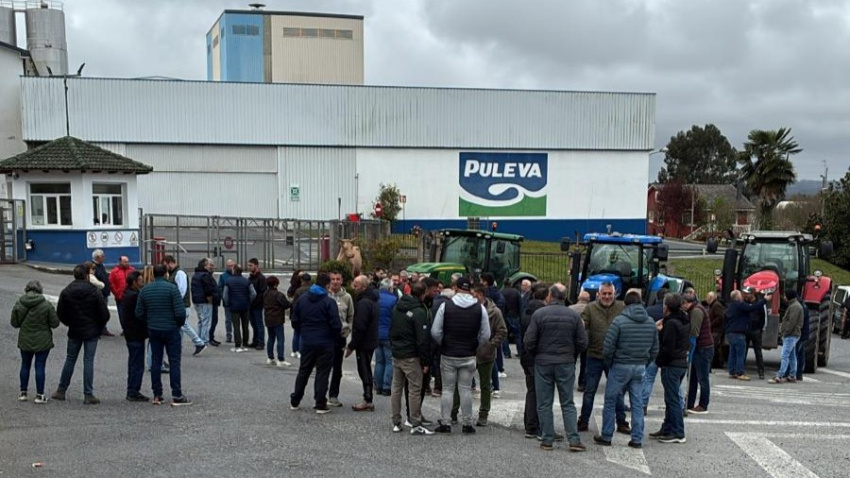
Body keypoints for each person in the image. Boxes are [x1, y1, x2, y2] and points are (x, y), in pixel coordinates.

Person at [524, 283, 588, 452]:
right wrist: (572, 354)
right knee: (567, 402)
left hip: (543, 362)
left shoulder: (539, 314)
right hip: (565, 362)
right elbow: (583, 342)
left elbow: (529, 341)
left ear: (549, 296)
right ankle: (574, 439)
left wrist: (537, 354)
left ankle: (547, 439)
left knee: (544, 403)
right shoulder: (573, 316)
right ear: (564, 297)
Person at [595, 289, 657, 449]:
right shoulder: (650, 322)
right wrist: (645, 361)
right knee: (637, 402)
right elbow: (655, 349)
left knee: (610, 400)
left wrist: (611, 362)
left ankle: (607, 435)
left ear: (625, 304)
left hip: (620, 365)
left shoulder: (619, 321)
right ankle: (637, 438)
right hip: (640, 366)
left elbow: (608, 347)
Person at [431, 277, 490, 435]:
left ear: (456, 288)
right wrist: (475, 344)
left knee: (448, 390)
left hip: (449, 353)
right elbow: (486, 334)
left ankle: (446, 422)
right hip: (468, 354)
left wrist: (444, 343)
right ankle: (467, 423)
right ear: (470, 289)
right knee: (465, 390)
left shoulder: (446, 306)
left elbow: (435, 331)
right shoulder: (479, 308)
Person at [450, 284, 506, 427]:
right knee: (460, 383)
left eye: (473, 294)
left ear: (480, 295)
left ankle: (483, 414)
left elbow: (502, 331)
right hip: (467, 351)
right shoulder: (468, 308)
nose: (470, 296)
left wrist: (491, 344)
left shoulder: (495, 312)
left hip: (485, 353)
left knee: (485, 385)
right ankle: (453, 412)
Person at [53, 264, 110, 404]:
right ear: (86, 275)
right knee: (88, 361)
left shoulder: (66, 291)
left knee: (70, 359)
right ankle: (88, 394)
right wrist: (98, 326)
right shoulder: (94, 291)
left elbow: (60, 313)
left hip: (74, 329)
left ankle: (61, 390)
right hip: (91, 330)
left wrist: (70, 323)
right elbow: (104, 314)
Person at [136, 264, 192, 406]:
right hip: (171, 328)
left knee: (156, 361)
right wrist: (178, 323)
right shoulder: (172, 289)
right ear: (166, 274)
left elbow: (139, 313)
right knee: (174, 362)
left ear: (153, 274)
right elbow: (180, 312)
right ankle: (176, 394)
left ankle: (157, 394)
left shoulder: (145, 290)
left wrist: (149, 322)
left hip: (154, 328)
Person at [579, 282, 628, 434]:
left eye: (610, 293)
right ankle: (584, 420)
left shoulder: (622, 307)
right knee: (589, 391)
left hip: (614, 357)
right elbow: (582, 325)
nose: (607, 296)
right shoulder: (590, 308)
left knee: (618, 392)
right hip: (594, 355)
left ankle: (621, 421)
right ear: (598, 294)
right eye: (604, 293)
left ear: (615, 294)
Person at [290, 273, 342, 414]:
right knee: (322, 372)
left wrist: (303, 331)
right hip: (325, 341)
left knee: (304, 370)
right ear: (327, 285)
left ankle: (295, 399)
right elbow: (336, 325)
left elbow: (295, 320)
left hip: (307, 340)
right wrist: (335, 338)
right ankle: (320, 402)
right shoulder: (329, 302)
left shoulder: (302, 299)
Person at [389, 282, 434, 434]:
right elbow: (422, 339)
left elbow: (392, 328)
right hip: (411, 355)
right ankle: (415, 422)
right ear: (423, 293)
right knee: (414, 389)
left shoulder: (397, 307)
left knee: (396, 388)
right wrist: (425, 361)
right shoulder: (419, 311)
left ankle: (396, 421)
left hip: (397, 352)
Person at [650, 293, 690, 444]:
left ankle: (678, 431)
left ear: (666, 306)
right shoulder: (684, 319)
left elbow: (668, 347)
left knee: (672, 399)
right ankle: (667, 427)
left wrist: (659, 361)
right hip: (680, 362)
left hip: (672, 364)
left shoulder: (671, 323)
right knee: (671, 398)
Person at [12, 280, 59, 404]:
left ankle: (23, 393)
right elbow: (55, 323)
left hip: (25, 339)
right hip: (43, 340)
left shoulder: (20, 303)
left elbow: (14, 323)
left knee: (25, 365)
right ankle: (39, 395)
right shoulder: (46, 305)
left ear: (27, 289)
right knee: (40, 365)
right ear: (40, 290)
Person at [347, 275, 379, 411]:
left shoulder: (364, 303)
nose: (354, 287)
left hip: (364, 342)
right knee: (365, 368)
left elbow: (360, 326)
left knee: (364, 370)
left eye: (357, 285)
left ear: (364, 286)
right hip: (370, 340)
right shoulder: (372, 299)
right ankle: (367, 398)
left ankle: (367, 399)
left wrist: (352, 345)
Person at [163, 255, 205, 356]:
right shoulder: (175, 273)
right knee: (179, 327)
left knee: (183, 325)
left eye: (165, 265)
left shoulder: (179, 273)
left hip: (182, 305)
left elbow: (182, 290)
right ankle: (179, 347)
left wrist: (174, 302)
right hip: (181, 305)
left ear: (170, 263)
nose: (165, 268)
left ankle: (199, 342)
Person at [725, 288, 770, 380]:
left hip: (730, 332)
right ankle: (740, 372)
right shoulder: (740, 305)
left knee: (732, 353)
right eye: (741, 294)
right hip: (739, 332)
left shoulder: (730, 306)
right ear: (737, 297)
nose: (743, 296)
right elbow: (752, 308)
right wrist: (765, 300)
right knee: (740, 354)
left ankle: (732, 371)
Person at [120, 271, 149, 402]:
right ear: (134, 282)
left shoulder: (127, 294)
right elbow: (140, 314)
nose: (142, 283)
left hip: (131, 332)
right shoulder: (134, 296)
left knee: (134, 361)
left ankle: (133, 389)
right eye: (141, 281)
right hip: (135, 333)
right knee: (137, 363)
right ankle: (133, 390)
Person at [327, 270, 354, 408]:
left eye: (338, 279)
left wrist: (347, 330)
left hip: (340, 337)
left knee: (337, 368)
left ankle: (333, 395)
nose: (335, 282)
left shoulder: (347, 297)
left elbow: (351, 316)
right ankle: (320, 394)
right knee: (324, 367)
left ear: (342, 281)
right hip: (325, 336)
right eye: (333, 279)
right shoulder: (325, 295)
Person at [684, 293, 713, 414]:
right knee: (693, 378)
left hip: (702, 348)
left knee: (702, 378)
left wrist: (689, 348)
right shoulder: (697, 309)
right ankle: (689, 403)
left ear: (687, 303)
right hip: (702, 347)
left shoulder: (696, 311)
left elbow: (694, 332)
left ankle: (703, 405)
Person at [769, 289, 804, 384]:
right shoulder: (794, 305)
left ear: (789, 296)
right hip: (793, 334)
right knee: (792, 356)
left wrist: (785, 333)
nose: (784, 297)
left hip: (791, 335)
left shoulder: (795, 307)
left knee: (785, 355)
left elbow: (792, 322)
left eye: (785, 295)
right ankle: (792, 375)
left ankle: (779, 376)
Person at [223, 264, 256, 353]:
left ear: (234, 270)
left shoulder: (229, 281)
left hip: (234, 306)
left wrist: (228, 303)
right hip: (245, 306)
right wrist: (248, 301)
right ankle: (245, 343)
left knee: (236, 326)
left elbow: (225, 295)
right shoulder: (246, 281)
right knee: (245, 325)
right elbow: (253, 293)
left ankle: (238, 345)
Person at [375, 278, 398, 396]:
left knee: (379, 361)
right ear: (390, 288)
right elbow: (395, 317)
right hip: (388, 333)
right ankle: (386, 386)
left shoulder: (375, 298)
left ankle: (378, 386)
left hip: (376, 333)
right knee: (389, 361)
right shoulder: (394, 299)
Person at [190, 258, 218, 349]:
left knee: (201, 321)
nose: (212, 267)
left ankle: (199, 339)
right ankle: (204, 341)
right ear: (205, 266)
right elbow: (208, 289)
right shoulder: (205, 275)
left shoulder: (196, 275)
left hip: (196, 300)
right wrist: (210, 300)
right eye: (210, 265)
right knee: (206, 321)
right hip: (204, 301)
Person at [263, 276, 292, 367]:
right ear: (276, 284)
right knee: (280, 339)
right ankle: (280, 359)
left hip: (268, 318)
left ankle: (270, 357)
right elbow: (286, 305)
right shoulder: (279, 295)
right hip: (277, 319)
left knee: (271, 338)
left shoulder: (265, 294)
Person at [569, 290, 591, 392]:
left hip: (573, 338)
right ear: (589, 299)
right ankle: (582, 383)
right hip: (587, 338)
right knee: (585, 362)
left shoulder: (570, 309)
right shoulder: (591, 309)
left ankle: (569, 381)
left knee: (571, 361)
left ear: (578, 298)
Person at [743, 288, 767, 379]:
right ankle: (741, 369)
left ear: (752, 294)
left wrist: (760, 328)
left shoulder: (760, 304)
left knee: (758, 352)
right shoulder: (745, 303)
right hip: (746, 329)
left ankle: (761, 371)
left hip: (756, 330)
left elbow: (763, 317)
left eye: (747, 293)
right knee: (743, 351)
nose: (745, 295)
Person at [92, 249, 114, 337]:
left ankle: (103, 328)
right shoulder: (93, 267)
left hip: (104, 293)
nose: (104, 258)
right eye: (102, 256)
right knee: (98, 312)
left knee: (103, 312)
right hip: (99, 294)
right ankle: (97, 330)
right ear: (97, 257)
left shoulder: (101, 266)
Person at [247, 258, 268, 350]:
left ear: (256, 265)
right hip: (251, 305)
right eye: (248, 265)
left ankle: (261, 342)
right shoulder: (250, 278)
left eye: (251, 265)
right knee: (254, 324)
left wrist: (256, 302)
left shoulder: (261, 278)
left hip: (257, 305)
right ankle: (255, 341)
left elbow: (262, 292)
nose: (249, 267)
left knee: (259, 324)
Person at [108, 255, 135, 324]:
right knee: (122, 314)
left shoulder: (132, 270)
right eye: (125, 262)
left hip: (131, 296)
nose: (127, 263)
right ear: (120, 262)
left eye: (127, 262)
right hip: (120, 297)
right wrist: (116, 293)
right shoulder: (114, 272)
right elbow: (111, 283)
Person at [290, 272, 312, 358]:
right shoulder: (312, 290)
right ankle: (300, 350)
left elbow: (294, 304)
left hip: (298, 314)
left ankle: (294, 350)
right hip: (307, 314)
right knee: (303, 333)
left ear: (302, 281)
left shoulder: (298, 290)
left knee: (296, 333)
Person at [706, 291, 726, 369]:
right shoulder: (712, 305)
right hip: (715, 329)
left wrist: (711, 324)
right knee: (716, 347)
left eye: (707, 297)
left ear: (711, 298)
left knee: (713, 346)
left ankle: (712, 364)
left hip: (716, 330)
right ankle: (716, 363)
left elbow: (720, 317)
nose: (706, 299)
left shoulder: (716, 305)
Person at [217, 259, 236, 343]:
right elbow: (220, 288)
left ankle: (237, 335)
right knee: (228, 319)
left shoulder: (237, 275)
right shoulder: (223, 276)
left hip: (236, 301)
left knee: (236, 319)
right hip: (227, 301)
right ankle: (229, 335)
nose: (231, 267)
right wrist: (224, 297)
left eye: (232, 266)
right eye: (229, 266)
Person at [793, 305, 810, 381]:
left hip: (799, 334)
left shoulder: (800, 307)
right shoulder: (803, 306)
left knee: (795, 354)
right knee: (800, 354)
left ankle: (794, 373)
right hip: (802, 334)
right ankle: (799, 374)